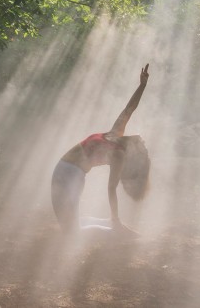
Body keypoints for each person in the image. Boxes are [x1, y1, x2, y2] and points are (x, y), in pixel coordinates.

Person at [51, 63, 151, 235]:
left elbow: (111, 188)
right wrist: (142, 85)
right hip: (66, 170)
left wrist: (116, 219)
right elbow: (129, 109)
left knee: (70, 232)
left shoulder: (118, 154)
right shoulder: (115, 133)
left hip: (70, 174)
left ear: (134, 150)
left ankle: (117, 228)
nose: (142, 140)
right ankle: (113, 226)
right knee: (69, 226)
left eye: (143, 146)